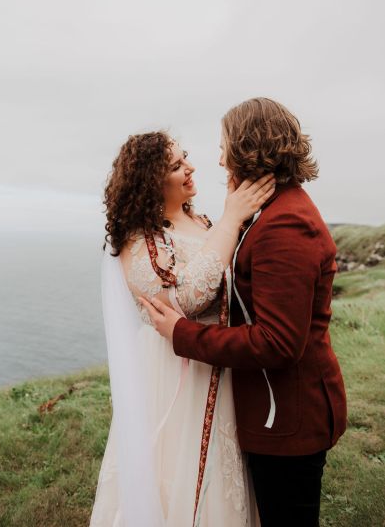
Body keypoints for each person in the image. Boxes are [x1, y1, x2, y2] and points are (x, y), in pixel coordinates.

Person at [141, 98, 348, 527]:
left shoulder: (285, 226)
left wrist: (182, 333)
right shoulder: (273, 211)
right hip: (282, 410)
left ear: (248, 148)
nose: (218, 159)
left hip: (289, 420)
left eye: (224, 147)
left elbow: (277, 343)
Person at [89, 130, 275, 527]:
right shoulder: (140, 239)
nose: (190, 167)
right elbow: (185, 300)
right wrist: (231, 218)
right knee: (180, 480)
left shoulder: (201, 220)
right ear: (151, 182)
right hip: (177, 377)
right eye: (175, 166)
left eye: (185, 156)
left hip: (221, 363)